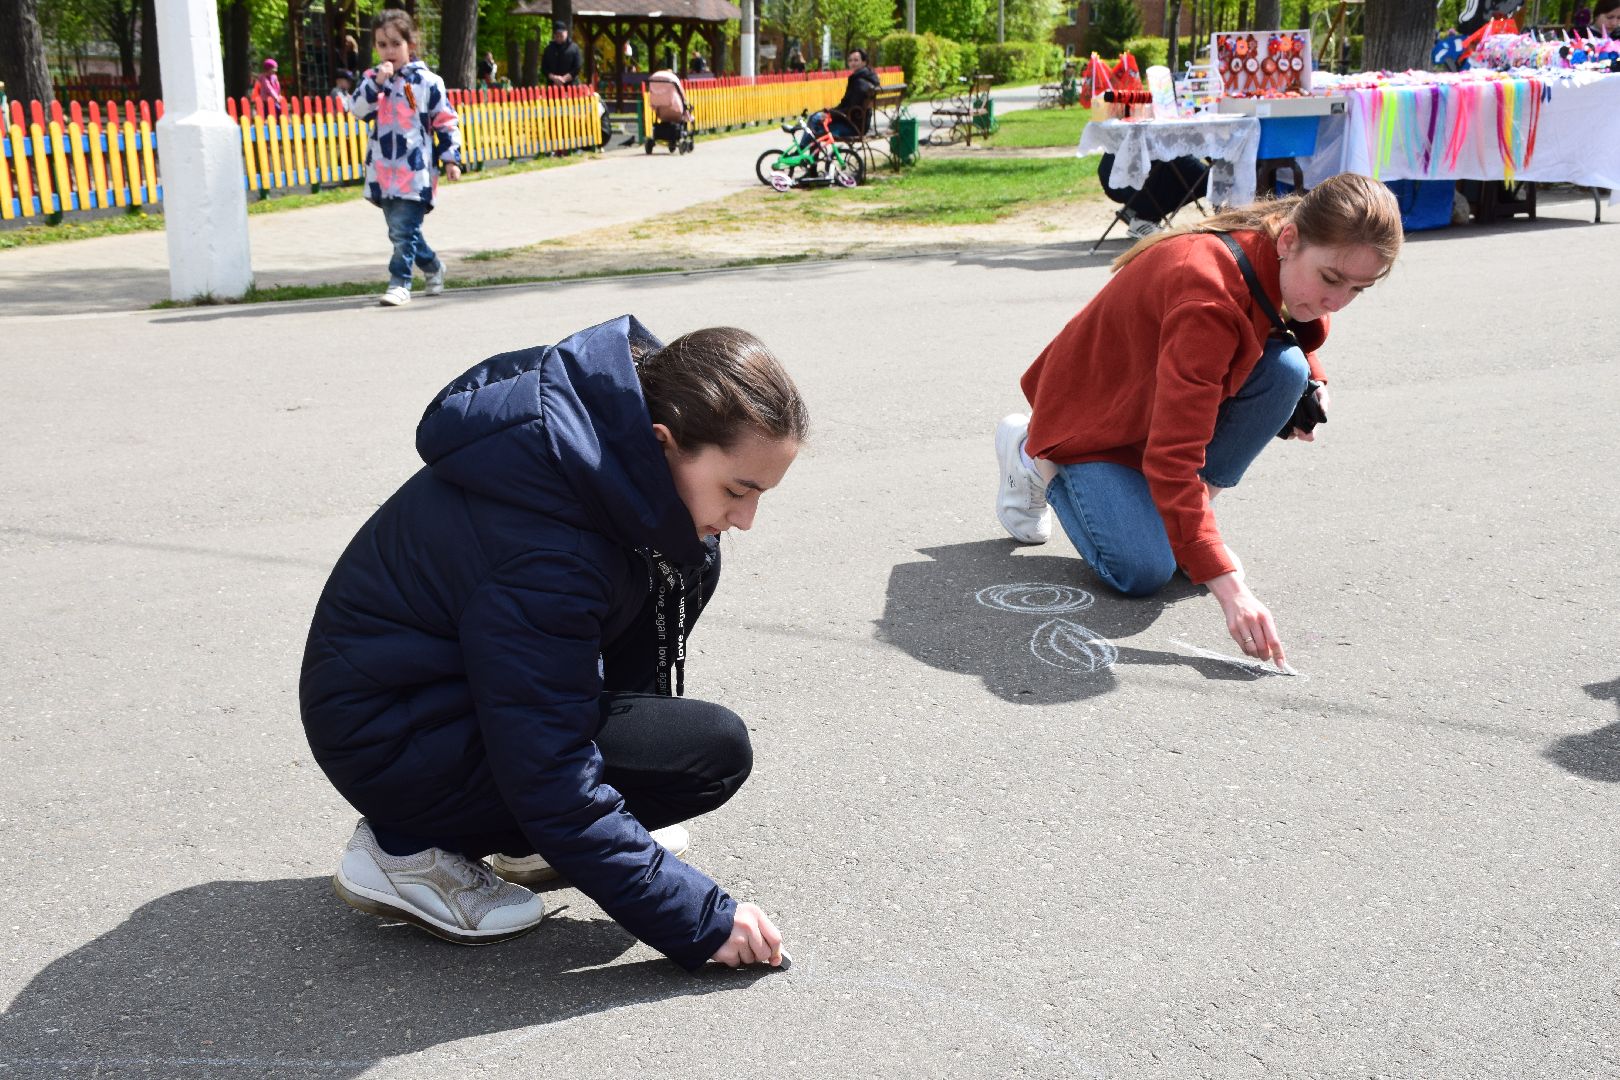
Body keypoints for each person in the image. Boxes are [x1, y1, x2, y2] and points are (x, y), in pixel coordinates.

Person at [300, 316, 806, 972]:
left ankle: (531, 841)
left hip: (453, 700)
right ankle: (403, 849)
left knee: (697, 734)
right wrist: (697, 918)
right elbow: (550, 768)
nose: (746, 519)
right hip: (391, 739)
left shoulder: (606, 463)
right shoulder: (548, 548)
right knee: (705, 750)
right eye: (737, 490)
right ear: (661, 443)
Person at [993, 173, 1403, 668]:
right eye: (1332, 279)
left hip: (1152, 407)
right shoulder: (1207, 296)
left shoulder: (1279, 253)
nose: (1337, 302)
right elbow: (1173, 458)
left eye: (1359, 288)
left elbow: (1292, 326)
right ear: (1290, 240)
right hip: (1092, 422)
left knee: (1288, 371)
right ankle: (1033, 453)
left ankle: (1184, 522)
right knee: (1144, 571)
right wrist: (1231, 591)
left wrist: (1313, 379)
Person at [349, 8, 462, 307]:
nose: (389, 51)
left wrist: (451, 159)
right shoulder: (373, 81)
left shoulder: (428, 82)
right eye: (382, 44)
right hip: (383, 172)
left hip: (415, 171)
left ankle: (400, 283)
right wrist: (377, 82)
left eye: (395, 44)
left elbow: (445, 121)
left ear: (410, 45)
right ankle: (433, 266)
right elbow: (357, 109)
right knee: (401, 232)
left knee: (402, 231)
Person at [1099, 153, 1211, 239]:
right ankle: (1145, 215)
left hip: (1111, 175)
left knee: (1178, 165)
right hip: (1127, 185)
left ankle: (1134, 210)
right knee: (1209, 181)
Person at [801, 47, 879, 148]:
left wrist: (831, 114)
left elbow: (851, 109)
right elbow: (847, 104)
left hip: (852, 126)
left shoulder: (860, 83)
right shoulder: (866, 78)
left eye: (856, 60)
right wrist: (831, 111)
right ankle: (806, 153)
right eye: (850, 60)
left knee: (814, 122)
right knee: (815, 119)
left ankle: (801, 150)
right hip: (859, 124)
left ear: (864, 62)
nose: (852, 63)